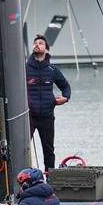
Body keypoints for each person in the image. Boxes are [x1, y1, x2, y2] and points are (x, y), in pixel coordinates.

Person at [26, 35, 71, 171]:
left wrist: (65, 98)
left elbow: (66, 87)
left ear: (46, 50)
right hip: (29, 117)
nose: (36, 45)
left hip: (47, 116)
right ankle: (23, 180)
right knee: (22, 149)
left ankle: (50, 182)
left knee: (49, 150)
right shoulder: (24, 68)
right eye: (35, 43)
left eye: (40, 43)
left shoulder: (52, 70)